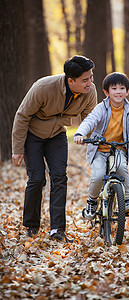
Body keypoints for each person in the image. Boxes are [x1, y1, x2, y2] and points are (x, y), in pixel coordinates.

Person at [12, 55, 97, 242]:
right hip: (33, 136)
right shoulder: (43, 88)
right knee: (36, 179)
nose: (90, 83)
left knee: (59, 177)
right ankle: (31, 226)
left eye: (91, 77)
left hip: (57, 135)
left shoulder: (90, 91)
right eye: (85, 80)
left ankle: (57, 230)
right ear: (71, 80)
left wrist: (95, 142)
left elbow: (90, 119)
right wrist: (17, 149)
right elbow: (22, 116)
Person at [74, 72, 129, 220]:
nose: (118, 91)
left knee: (121, 169)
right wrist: (80, 133)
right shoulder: (101, 108)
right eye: (114, 88)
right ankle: (92, 201)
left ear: (127, 91)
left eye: (122, 88)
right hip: (100, 149)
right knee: (99, 175)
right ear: (107, 92)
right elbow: (90, 120)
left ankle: (127, 200)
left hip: (119, 148)